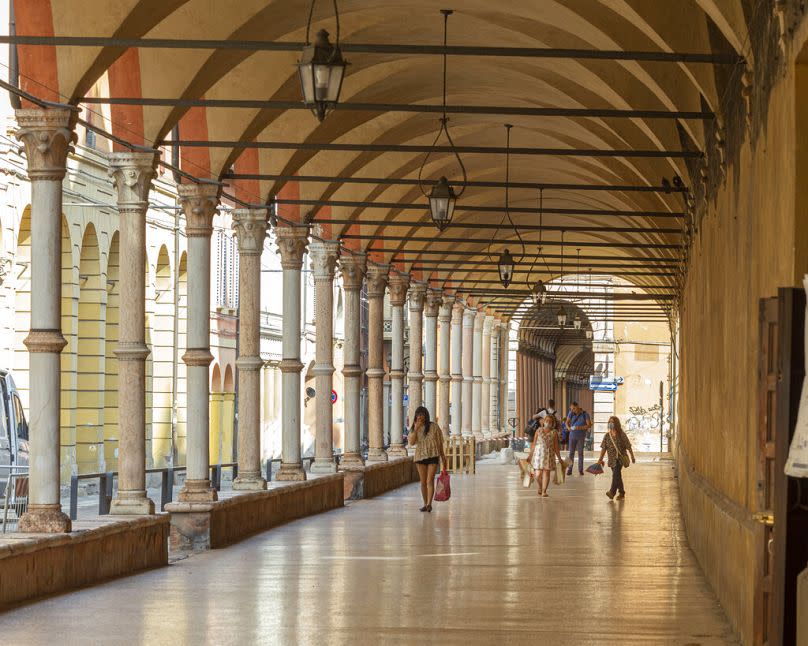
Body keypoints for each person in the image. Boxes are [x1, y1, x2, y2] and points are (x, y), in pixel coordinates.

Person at [408, 405, 448, 512]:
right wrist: (416, 429)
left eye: (422, 414)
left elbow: (440, 443)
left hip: (433, 456)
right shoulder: (414, 428)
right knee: (423, 482)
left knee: (429, 480)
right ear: (416, 416)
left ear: (426, 416)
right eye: (418, 414)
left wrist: (443, 457)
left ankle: (429, 504)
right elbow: (411, 443)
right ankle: (425, 504)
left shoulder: (434, 426)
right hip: (420, 457)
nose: (420, 416)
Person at [597, 416, 636, 500]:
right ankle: (621, 493)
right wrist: (600, 459)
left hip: (620, 459)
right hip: (611, 459)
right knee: (617, 476)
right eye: (609, 422)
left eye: (612, 422)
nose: (611, 424)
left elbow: (628, 446)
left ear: (616, 424)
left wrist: (632, 456)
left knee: (615, 474)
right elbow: (603, 448)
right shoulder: (607, 436)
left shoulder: (621, 434)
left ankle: (612, 492)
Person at [527, 414, 563, 497]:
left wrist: (560, 458)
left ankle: (544, 491)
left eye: (550, 421)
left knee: (546, 473)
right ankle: (540, 486)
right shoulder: (538, 431)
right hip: (538, 456)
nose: (548, 423)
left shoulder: (554, 432)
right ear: (543, 421)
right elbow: (534, 444)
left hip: (549, 455)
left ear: (553, 423)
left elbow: (556, 447)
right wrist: (530, 456)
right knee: (537, 474)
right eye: (547, 421)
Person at [565, 401, 592, 476]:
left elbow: (589, 425)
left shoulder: (585, 414)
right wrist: (568, 428)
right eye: (571, 409)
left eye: (574, 408)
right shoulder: (571, 413)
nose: (573, 410)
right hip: (572, 436)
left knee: (580, 453)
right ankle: (569, 469)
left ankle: (580, 470)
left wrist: (579, 427)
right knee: (571, 453)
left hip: (581, 436)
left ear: (578, 406)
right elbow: (567, 422)